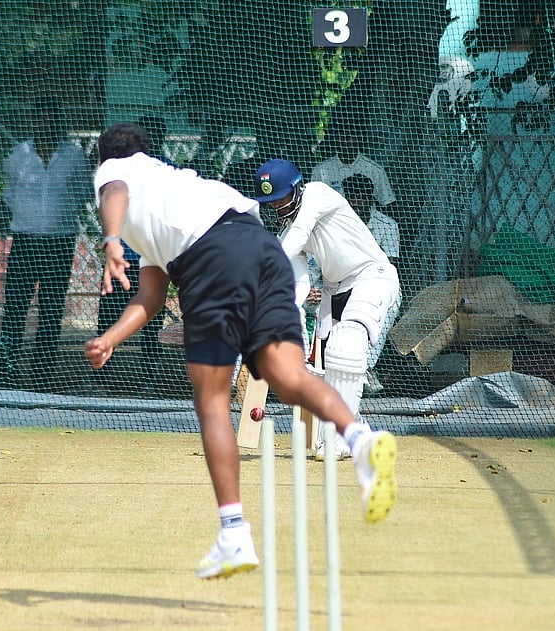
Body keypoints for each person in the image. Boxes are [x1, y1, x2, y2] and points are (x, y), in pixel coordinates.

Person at [84, 123, 398, 580]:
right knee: (287, 374)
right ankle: (361, 441)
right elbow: (151, 297)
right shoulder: (170, 188)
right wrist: (112, 337)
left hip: (214, 254)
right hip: (260, 247)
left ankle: (233, 534)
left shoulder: (116, 171)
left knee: (212, 400)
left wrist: (110, 242)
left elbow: (113, 189)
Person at [254, 158, 403, 460]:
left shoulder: (318, 194)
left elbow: (298, 235)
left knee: (346, 346)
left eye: (280, 198)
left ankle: (342, 437)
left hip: (372, 277)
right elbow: (296, 288)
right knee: (320, 370)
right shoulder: (287, 234)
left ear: (296, 189)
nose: (276, 207)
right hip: (335, 293)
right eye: (270, 203)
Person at [0, 97, 91, 391]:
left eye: (52, 118)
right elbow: (8, 193)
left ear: (60, 122)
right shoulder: (19, 155)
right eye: (40, 119)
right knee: (14, 311)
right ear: (33, 122)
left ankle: (42, 378)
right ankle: (6, 375)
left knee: (50, 312)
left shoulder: (74, 156)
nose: (45, 124)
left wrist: (61, 213)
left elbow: (84, 193)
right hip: (25, 241)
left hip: (59, 243)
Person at [95, 116, 167, 396]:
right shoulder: (114, 170)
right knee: (109, 317)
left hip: (150, 258)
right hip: (121, 259)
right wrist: (112, 244)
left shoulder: (161, 169)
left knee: (150, 319)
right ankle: (101, 378)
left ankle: (149, 378)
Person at [341, 173, 401, 395]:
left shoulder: (387, 225)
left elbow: (389, 265)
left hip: (379, 284)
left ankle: (365, 368)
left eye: (361, 197)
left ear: (371, 198)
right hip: (341, 283)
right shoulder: (339, 224)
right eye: (352, 197)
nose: (356, 202)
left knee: (388, 308)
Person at [310, 127, 396, 210]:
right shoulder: (321, 171)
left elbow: (388, 203)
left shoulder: (374, 169)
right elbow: (313, 204)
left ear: (359, 139)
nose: (345, 141)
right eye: (341, 137)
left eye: (349, 137)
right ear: (335, 140)